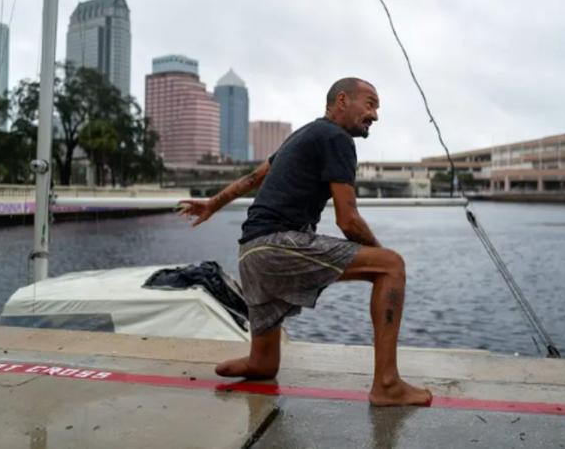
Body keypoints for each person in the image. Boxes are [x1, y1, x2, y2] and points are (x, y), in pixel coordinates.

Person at [179, 77, 432, 406]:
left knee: (266, 365)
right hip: (276, 247)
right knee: (392, 266)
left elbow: (254, 178)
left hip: (250, 254)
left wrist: (214, 204)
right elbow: (348, 220)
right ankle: (387, 384)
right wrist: (382, 258)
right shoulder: (336, 138)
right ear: (342, 100)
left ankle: (258, 360)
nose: (375, 115)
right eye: (370, 104)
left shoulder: (302, 134)